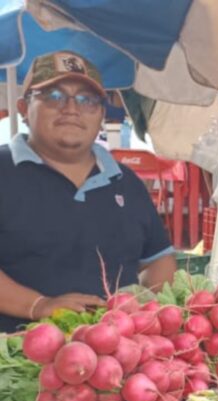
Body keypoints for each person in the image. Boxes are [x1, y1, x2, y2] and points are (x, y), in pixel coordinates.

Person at [0, 51, 176, 333]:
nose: (71, 109)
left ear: (102, 114)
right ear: (23, 107)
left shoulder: (126, 181)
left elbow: (158, 259)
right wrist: (38, 306)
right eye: (54, 96)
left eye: (87, 100)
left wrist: (149, 311)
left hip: (119, 356)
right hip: (18, 359)